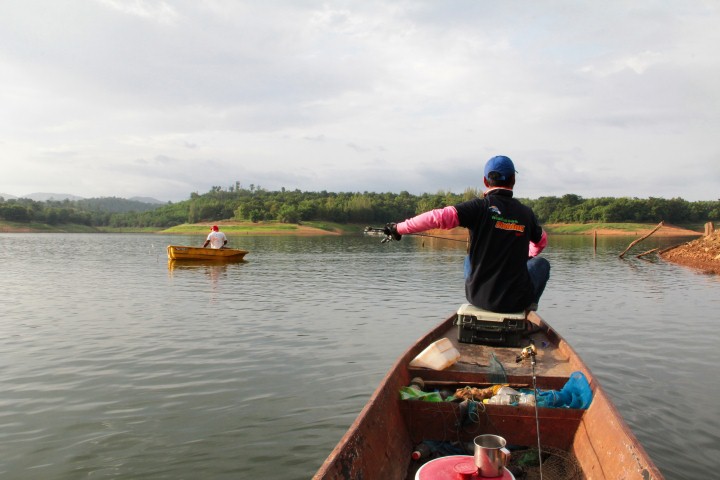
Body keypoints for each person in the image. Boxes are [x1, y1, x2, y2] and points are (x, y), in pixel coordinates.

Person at [384, 155, 550, 313]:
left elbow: (437, 217)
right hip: (515, 302)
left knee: (468, 259)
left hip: (478, 298)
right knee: (541, 264)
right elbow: (541, 241)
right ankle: (528, 308)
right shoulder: (526, 214)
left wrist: (398, 228)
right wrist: (528, 256)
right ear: (513, 180)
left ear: (485, 181)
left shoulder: (479, 207)